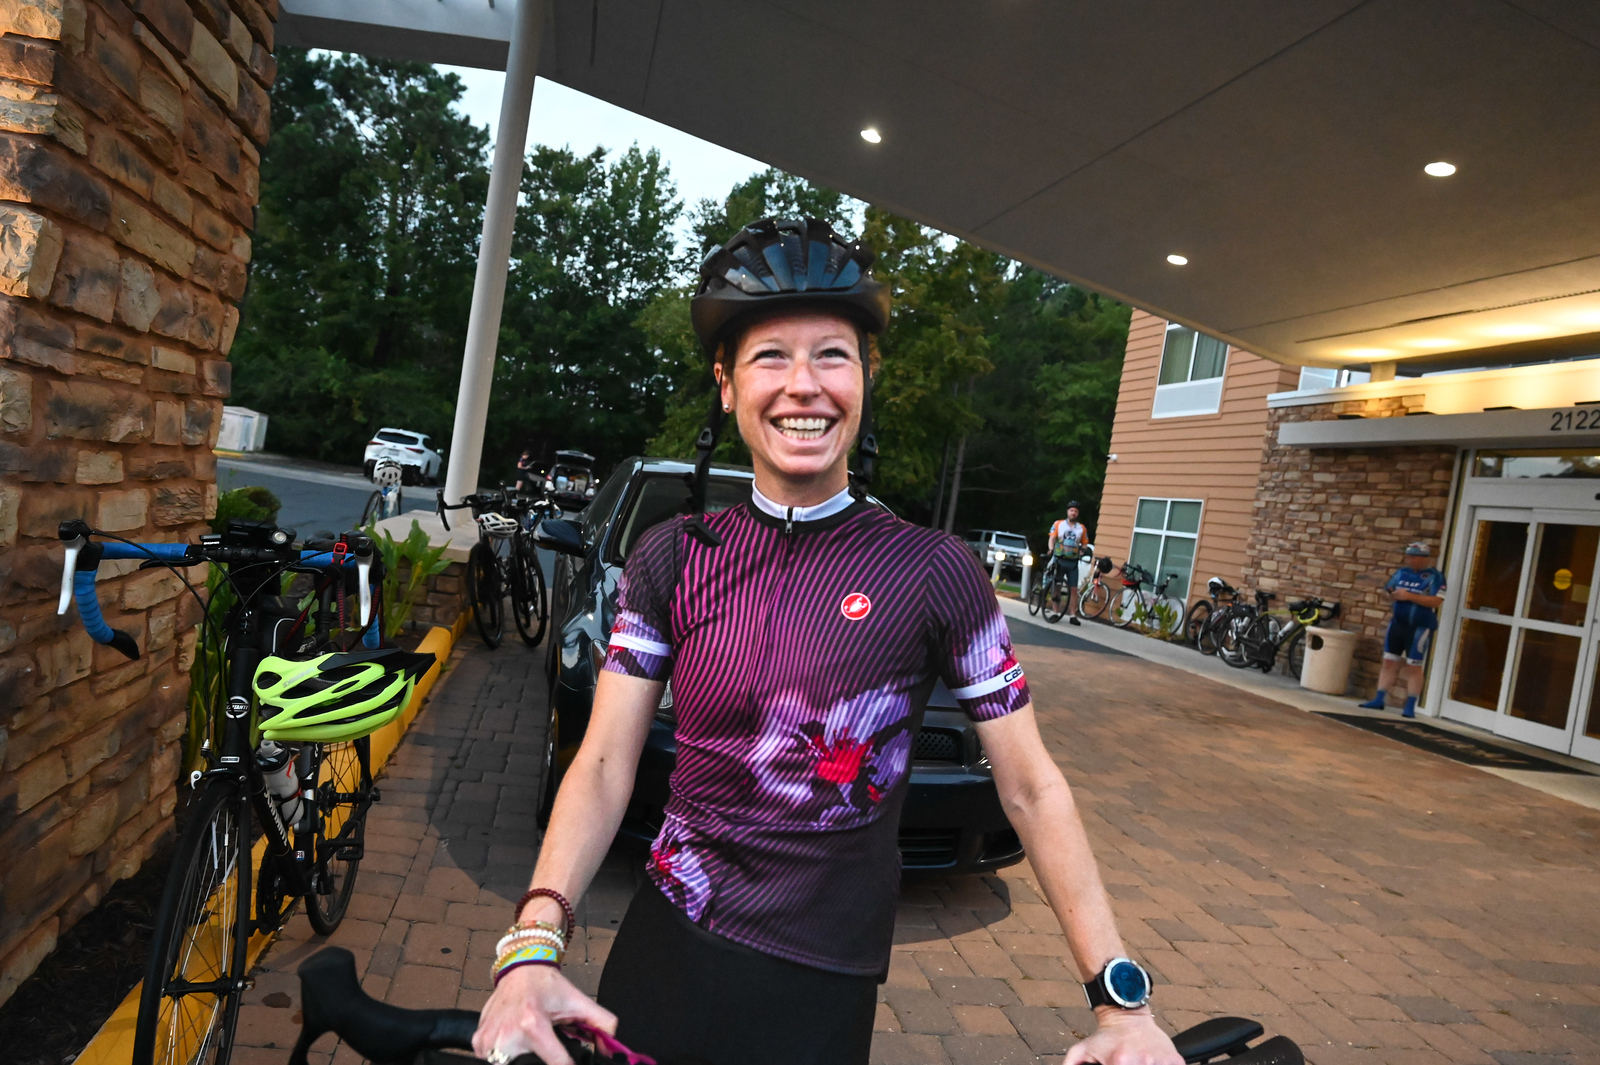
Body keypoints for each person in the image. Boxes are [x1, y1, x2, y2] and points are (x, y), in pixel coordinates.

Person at [472, 219, 1181, 1065]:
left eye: (832, 356)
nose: (802, 385)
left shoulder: (936, 571)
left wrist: (1120, 1003)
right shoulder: (672, 558)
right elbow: (600, 764)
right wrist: (533, 944)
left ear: (866, 378)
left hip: (821, 984)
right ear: (727, 385)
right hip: (668, 945)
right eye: (770, 356)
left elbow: (1032, 786)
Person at [1359, 540, 1446, 717]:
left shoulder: (1434, 576)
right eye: (1409, 557)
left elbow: (1436, 601)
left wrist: (1409, 596)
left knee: (1413, 666)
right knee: (1389, 661)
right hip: (1398, 623)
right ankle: (1379, 699)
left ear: (1425, 558)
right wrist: (1390, 595)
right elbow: (1386, 592)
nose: (1411, 560)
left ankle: (1410, 706)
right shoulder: (1401, 573)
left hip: (1420, 626)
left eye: (1415, 557)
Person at [1045, 502, 1093, 625]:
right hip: (1059, 559)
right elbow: (1052, 538)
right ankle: (1055, 612)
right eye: (1071, 510)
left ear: (1078, 513)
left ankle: (1073, 615)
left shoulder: (1081, 528)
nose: (1073, 513)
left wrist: (1083, 549)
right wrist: (1051, 549)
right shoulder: (1058, 524)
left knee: (1074, 589)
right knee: (1057, 587)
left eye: (1076, 511)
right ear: (1067, 512)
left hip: (1073, 562)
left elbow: (1085, 543)